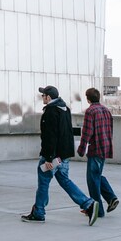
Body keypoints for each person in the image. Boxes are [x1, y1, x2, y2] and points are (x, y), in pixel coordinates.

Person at [22, 86, 99, 225]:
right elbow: (66, 133)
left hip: (52, 156)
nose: (42, 98)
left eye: (43, 95)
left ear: (49, 97)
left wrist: (49, 157)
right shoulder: (65, 109)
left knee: (43, 181)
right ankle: (88, 204)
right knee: (65, 181)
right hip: (63, 155)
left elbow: (50, 137)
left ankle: (38, 212)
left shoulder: (50, 112)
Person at [77, 87, 119, 218]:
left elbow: (87, 132)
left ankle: (98, 210)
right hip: (105, 146)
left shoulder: (91, 111)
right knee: (96, 175)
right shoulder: (106, 110)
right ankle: (111, 198)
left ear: (88, 99)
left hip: (96, 148)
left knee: (92, 180)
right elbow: (110, 130)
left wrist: (81, 149)